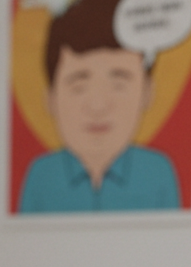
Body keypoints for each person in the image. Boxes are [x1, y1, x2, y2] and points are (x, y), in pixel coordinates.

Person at [18, 0, 181, 214]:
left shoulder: (158, 172)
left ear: (147, 93)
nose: (98, 106)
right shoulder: (41, 175)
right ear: (50, 99)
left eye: (119, 84)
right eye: (78, 86)